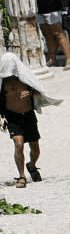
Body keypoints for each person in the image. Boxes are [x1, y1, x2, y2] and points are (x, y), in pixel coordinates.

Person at [2, 55, 43, 187]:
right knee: (19, 144)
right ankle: (22, 176)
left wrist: (30, 92)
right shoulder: (2, 82)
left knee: (35, 147)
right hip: (12, 116)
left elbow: (39, 89)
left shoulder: (25, 77)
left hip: (28, 114)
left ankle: (31, 165)